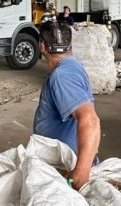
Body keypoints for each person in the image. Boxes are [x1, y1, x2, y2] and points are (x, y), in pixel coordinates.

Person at [33, 21, 101, 191]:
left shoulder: (62, 76)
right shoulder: (71, 65)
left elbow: (90, 120)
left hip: (67, 166)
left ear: (41, 46)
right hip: (64, 161)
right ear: (70, 44)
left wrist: (81, 171)